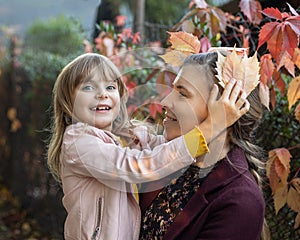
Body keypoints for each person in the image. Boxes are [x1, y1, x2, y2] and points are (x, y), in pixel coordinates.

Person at [47, 52, 249, 240]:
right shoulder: (79, 143)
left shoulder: (127, 137)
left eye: (110, 87)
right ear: (68, 102)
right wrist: (212, 126)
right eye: (88, 87)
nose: (102, 94)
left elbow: (165, 150)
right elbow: (143, 165)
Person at [139, 51, 268, 240]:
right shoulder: (168, 161)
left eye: (183, 94)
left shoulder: (240, 201)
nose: (165, 102)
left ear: (227, 107)